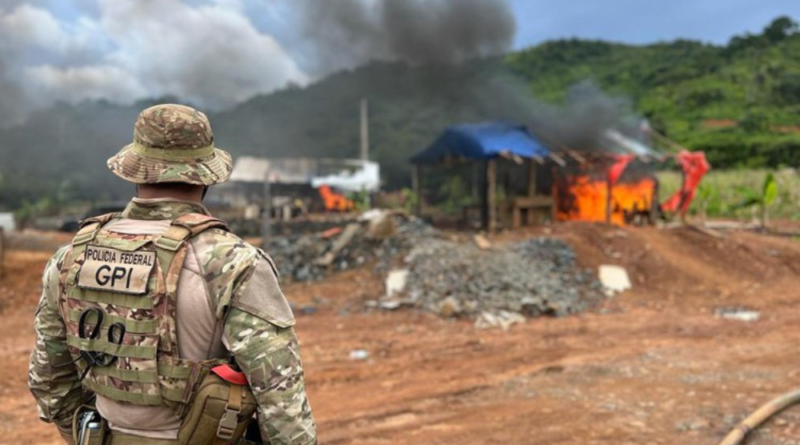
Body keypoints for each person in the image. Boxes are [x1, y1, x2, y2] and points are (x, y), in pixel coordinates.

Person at [28, 104, 317, 445]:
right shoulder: (233, 263)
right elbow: (281, 401)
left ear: (135, 172)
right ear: (206, 177)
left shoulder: (70, 258)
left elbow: (50, 382)